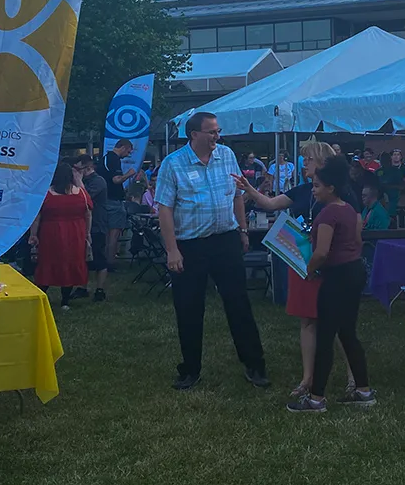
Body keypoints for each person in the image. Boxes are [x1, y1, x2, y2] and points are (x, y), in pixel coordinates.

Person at [235, 139, 357, 397]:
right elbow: (270, 204)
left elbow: (354, 229)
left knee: (337, 322)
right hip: (302, 261)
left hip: (331, 264)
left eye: (308, 160)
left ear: (322, 162)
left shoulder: (341, 192)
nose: (304, 164)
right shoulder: (303, 191)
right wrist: (249, 189)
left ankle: (353, 376)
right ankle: (307, 378)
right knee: (307, 320)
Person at [156, 112, 268, 390]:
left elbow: (237, 195)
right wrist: (172, 250)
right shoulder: (173, 164)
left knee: (238, 303)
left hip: (225, 240)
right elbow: (165, 209)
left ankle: (255, 365)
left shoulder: (227, 155)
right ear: (194, 135)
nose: (217, 136)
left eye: (218, 131)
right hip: (190, 244)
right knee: (189, 308)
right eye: (212, 132)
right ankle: (190, 369)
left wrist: (242, 230)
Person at [287, 155, 375, 413]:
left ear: (330, 188)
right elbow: (357, 242)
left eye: (316, 186)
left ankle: (316, 399)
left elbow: (322, 252)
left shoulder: (326, 215)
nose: (313, 190)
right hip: (354, 271)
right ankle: (363, 390)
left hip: (336, 277)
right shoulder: (348, 209)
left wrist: (309, 269)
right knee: (348, 333)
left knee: (325, 337)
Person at [30, 161, 92, 311]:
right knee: (70, 264)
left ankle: (40, 295)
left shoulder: (46, 194)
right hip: (75, 233)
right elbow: (88, 213)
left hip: (51, 233)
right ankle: (65, 301)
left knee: (48, 263)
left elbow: (37, 217)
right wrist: (87, 234)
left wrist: (33, 235)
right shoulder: (81, 194)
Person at [73, 155, 109, 302]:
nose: (75, 172)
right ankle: (82, 287)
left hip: (97, 225)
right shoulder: (81, 181)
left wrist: (78, 180)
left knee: (98, 257)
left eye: (78, 169)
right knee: (82, 258)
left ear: (88, 168)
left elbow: (84, 198)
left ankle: (100, 290)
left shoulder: (98, 182)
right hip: (82, 225)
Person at [102, 138, 136, 269]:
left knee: (106, 234)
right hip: (114, 202)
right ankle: (110, 262)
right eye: (128, 151)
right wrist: (129, 174)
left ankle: (104, 261)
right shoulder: (114, 159)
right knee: (114, 233)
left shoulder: (105, 158)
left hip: (105, 200)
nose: (128, 154)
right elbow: (116, 180)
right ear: (123, 147)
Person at [376, 149, 405, 220]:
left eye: (385, 160)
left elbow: (402, 186)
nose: (384, 162)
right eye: (382, 160)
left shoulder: (396, 172)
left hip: (394, 203)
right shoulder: (377, 172)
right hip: (380, 202)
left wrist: (389, 187)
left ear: (389, 160)